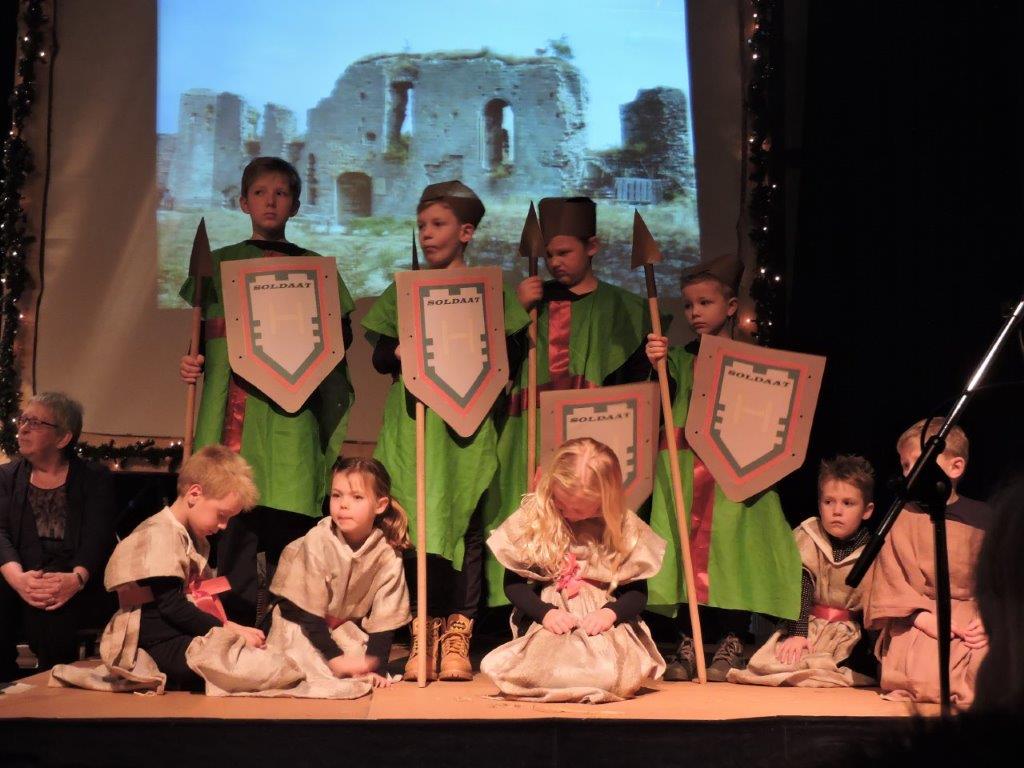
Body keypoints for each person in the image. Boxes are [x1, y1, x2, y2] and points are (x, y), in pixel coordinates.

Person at [362, 180, 529, 681]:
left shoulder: (488, 292)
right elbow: (378, 357)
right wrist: (398, 351)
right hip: (414, 421)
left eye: (438, 224)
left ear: (466, 232)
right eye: (422, 225)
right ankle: (422, 631)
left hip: (465, 425)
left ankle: (459, 634)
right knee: (411, 527)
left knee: (464, 526)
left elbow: (511, 355)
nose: (427, 233)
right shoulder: (406, 290)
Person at [179, 156, 356, 625]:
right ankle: (236, 629)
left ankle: (291, 630)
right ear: (243, 202)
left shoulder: (313, 269)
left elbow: (338, 340)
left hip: (291, 416)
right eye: (260, 192)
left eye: (281, 193)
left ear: (295, 204)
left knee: (290, 528)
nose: (270, 201)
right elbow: (202, 336)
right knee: (234, 527)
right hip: (236, 413)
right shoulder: (221, 264)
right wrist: (191, 359)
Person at [484, 196, 652, 608]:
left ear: (592, 247)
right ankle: (523, 605)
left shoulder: (622, 307)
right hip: (527, 428)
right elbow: (494, 363)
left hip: (591, 435)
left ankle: (591, 602)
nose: (555, 262)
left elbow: (633, 388)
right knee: (526, 513)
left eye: (564, 252)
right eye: (549, 255)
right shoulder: (532, 303)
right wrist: (517, 312)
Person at [644, 253, 802, 681]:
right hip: (683, 468)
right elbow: (662, 395)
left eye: (705, 303)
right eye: (688, 304)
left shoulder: (755, 362)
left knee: (734, 552)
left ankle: (731, 640)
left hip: (735, 471)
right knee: (684, 549)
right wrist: (656, 361)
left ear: (731, 307)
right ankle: (689, 641)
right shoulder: (678, 358)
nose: (695, 312)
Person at [51, 446, 265, 693]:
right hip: (155, 640)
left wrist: (233, 628)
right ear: (194, 494)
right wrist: (227, 630)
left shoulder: (187, 536)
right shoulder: (160, 534)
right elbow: (172, 606)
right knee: (237, 666)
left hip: (175, 632)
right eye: (221, 515)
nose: (224, 526)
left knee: (247, 656)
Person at [480, 438, 665, 703]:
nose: (568, 513)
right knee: (531, 667)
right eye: (560, 503)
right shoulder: (537, 519)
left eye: (578, 509)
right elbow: (513, 584)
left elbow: (637, 594)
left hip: (600, 623)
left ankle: (591, 681)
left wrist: (609, 613)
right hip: (555, 617)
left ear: (604, 500)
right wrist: (545, 613)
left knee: (607, 672)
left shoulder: (622, 528)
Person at [865, 419, 993, 708]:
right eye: (905, 466)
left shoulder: (984, 518)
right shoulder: (902, 516)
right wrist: (923, 619)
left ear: (955, 467)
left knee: (991, 670)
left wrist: (990, 618)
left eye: (917, 463)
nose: (908, 473)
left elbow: (1003, 580)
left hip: (974, 617)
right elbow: (890, 580)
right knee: (927, 678)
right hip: (920, 616)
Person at [261, 457, 412, 689]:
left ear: (380, 505)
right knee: (305, 669)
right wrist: (334, 657)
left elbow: (386, 616)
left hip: (340, 628)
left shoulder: (387, 553)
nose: (343, 505)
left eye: (357, 497)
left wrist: (377, 668)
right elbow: (308, 612)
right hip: (300, 624)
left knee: (360, 668)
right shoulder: (318, 541)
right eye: (337, 495)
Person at [728, 455, 877, 687]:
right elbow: (801, 586)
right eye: (829, 502)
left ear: (866, 510)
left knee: (859, 668)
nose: (837, 511)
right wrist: (798, 633)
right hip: (809, 625)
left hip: (849, 633)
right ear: (819, 504)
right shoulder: (810, 536)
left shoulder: (872, 549)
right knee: (777, 664)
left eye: (848, 503)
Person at [0, 392, 115, 680]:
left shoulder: (94, 478)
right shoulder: (6, 477)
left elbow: (97, 537)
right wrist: (18, 579)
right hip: (21, 573)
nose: (23, 429)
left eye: (35, 423)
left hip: (73, 577)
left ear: (63, 438)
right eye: (23, 420)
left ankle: (53, 688)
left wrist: (75, 579)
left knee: (56, 616)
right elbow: (0, 533)